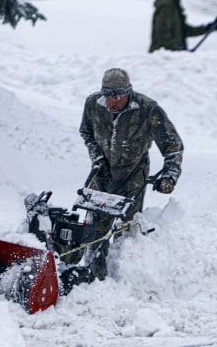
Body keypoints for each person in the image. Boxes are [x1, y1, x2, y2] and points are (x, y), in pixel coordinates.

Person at [79, 67, 184, 279]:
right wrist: (98, 158)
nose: (112, 101)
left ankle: (123, 277)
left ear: (129, 92)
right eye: (108, 95)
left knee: (125, 229)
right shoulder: (93, 104)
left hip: (132, 176)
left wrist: (169, 175)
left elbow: (173, 146)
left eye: (118, 95)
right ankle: (94, 277)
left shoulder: (148, 109)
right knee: (94, 229)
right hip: (102, 173)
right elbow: (86, 132)